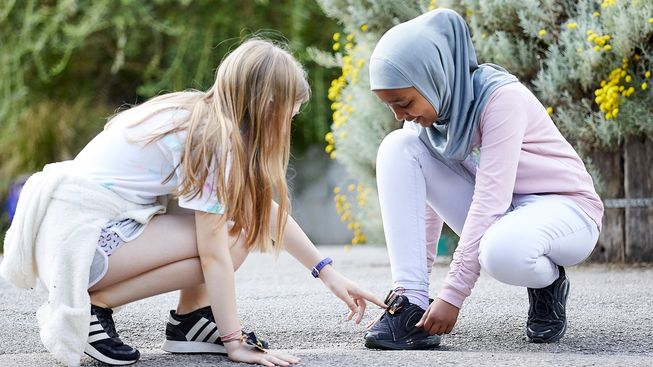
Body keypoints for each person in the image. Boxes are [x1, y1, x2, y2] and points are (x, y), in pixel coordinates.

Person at [0, 38, 385, 367]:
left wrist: (328, 273)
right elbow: (215, 252)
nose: (290, 122)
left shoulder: (196, 112)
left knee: (237, 223)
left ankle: (192, 322)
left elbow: (262, 208)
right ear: (268, 105)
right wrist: (235, 342)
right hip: (80, 247)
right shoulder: (214, 138)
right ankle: (95, 310)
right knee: (231, 235)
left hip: (74, 239)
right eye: (291, 113)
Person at [363, 9, 603, 350]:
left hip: (565, 211)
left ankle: (548, 282)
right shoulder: (430, 119)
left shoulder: (500, 98)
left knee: (503, 252)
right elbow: (425, 205)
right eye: (391, 106)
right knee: (398, 147)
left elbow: (490, 199)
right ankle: (408, 302)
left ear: (435, 75)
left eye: (404, 102)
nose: (400, 114)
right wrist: (415, 291)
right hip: (508, 214)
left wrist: (453, 294)